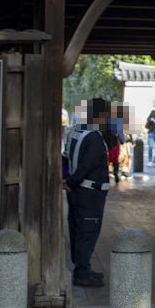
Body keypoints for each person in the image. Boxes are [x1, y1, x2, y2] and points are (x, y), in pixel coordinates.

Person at [64, 99, 112, 288]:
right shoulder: (93, 136)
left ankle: (82, 267)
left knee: (77, 229)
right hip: (89, 191)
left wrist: (69, 181)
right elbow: (88, 164)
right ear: (99, 115)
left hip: (76, 191)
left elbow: (66, 157)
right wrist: (73, 180)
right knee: (88, 231)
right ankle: (82, 272)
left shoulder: (75, 131)